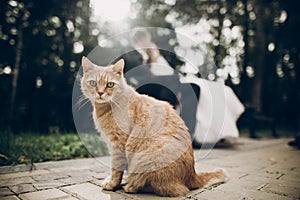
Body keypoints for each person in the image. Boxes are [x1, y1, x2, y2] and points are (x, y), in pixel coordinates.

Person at [120, 28, 244, 145]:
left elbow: (162, 71)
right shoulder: (130, 53)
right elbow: (134, 78)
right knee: (180, 87)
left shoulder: (149, 52)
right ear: (140, 39)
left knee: (194, 88)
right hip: (146, 87)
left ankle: (187, 136)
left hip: (162, 83)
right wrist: (171, 81)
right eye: (145, 39)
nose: (148, 41)